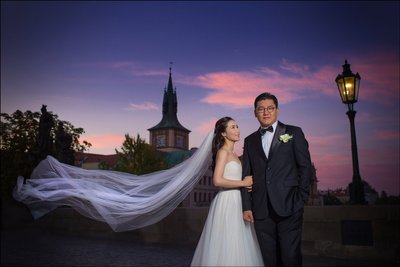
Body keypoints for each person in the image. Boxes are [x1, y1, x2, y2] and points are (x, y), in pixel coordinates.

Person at [241, 92, 312, 267]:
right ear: (255, 113)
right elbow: (246, 175)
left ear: (277, 111)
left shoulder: (293, 132)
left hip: (290, 206)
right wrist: (247, 206)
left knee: (290, 258)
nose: (266, 112)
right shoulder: (249, 141)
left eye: (270, 108)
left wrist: (300, 198)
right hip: (261, 209)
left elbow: (305, 167)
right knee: (268, 260)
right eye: (261, 109)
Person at [191, 117, 264, 267]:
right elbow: (217, 181)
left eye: (237, 126)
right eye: (232, 127)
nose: (237, 130)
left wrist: (246, 185)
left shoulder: (234, 155)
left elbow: (233, 178)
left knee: (239, 241)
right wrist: (243, 183)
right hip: (228, 201)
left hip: (237, 200)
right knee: (228, 241)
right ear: (223, 133)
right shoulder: (222, 152)